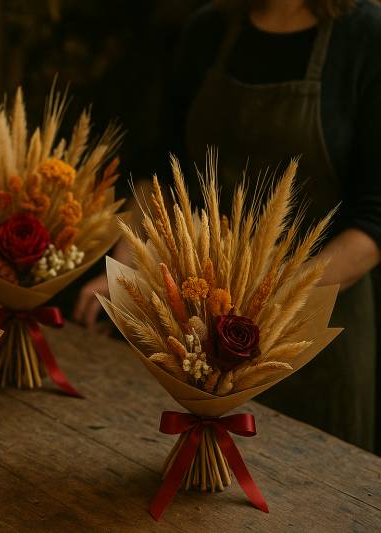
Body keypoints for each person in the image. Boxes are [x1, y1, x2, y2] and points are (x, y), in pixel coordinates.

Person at [74, 0, 381, 451]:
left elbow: (373, 223)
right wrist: (126, 268)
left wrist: (263, 306)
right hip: (196, 330)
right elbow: (161, 167)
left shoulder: (367, 39)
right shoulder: (210, 28)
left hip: (314, 337)